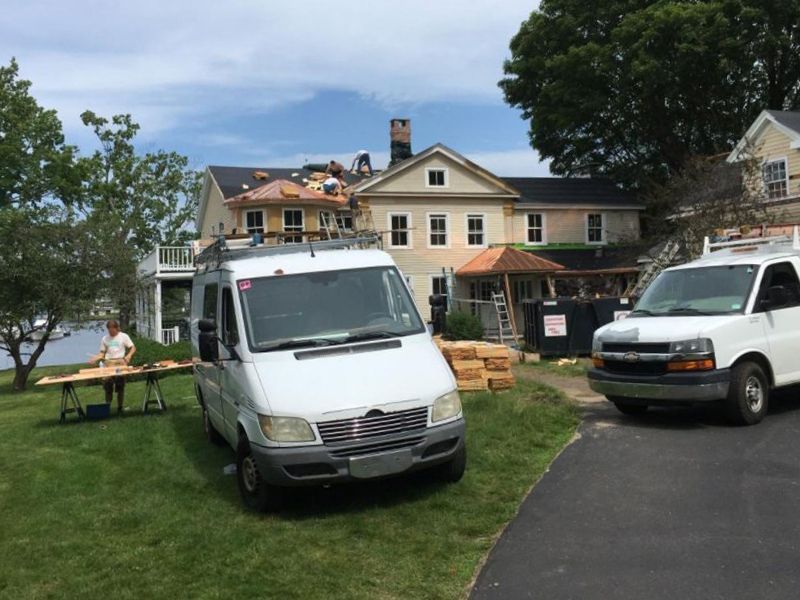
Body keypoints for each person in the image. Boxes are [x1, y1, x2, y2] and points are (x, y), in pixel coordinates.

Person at [89, 319, 136, 413]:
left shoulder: (123, 336)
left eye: (112, 330)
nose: (111, 332)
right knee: (108, 385)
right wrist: (96, 358)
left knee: (120, 385)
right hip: (108, 364)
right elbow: (102, 353)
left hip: (120, 363)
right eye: (109, 330)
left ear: (117, 328)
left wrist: (128, 356)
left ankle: (120, 408)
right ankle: (107, 408)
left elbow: (133, 348)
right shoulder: (105, 339)